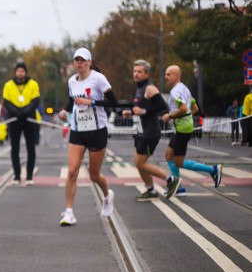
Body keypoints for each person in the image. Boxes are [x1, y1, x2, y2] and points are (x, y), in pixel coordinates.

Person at [57, 48, 117, 226]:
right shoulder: (71, 81)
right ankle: (69, 212)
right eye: (76, 60)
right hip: (77, 129)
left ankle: (107, 195)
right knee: (72, 171)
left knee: (94, 175)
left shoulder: (98, 78)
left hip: (97, 130)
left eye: (82, 60)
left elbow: (113, 101)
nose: (79, 63)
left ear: (89, 62)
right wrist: (64, 111)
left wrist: (91, 102)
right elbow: (71, 100)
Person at [121, 60, 179, 201]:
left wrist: (144, 111)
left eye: (139, 72)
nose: (136, 74)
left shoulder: (149, 88)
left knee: (141, 163)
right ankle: (150, 190)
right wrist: (131, 112)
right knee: (137, 161)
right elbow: (141, 110)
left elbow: (162, 106)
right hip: (142, 131)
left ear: (146, 73)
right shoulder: (139, 89)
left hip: (150, 132)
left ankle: (171, 179)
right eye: (134, 71)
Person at [161, 65, 222, 192]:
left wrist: (170, 115)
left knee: (178, 161)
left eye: (168, 74)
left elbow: (183, 108)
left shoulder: (175, 92)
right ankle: (179, 187)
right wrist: (187, 117)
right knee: (168, 155)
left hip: (182, 129)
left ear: (176, 76)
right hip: (181, 127)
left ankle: (213, 170)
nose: (165, 77)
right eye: (166, 74)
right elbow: (194, 109)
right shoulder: (185, 89)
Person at [1, 61, 40, 185]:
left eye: (22, 71)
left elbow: (35, 100)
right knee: (14, 148)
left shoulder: (33, 84)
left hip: (29, 119)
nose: (20, 73)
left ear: (25, 72)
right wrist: (17, 112)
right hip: (14, 119)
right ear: (15, 72)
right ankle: (17, 176)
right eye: (18, 71)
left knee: (31, 148)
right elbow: (6, 101)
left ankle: (29, 176)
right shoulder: (8, 85)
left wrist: (25, 111)